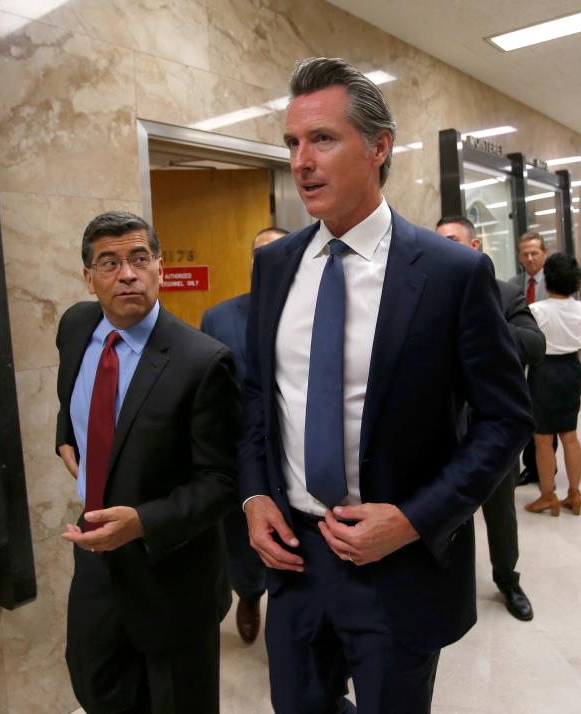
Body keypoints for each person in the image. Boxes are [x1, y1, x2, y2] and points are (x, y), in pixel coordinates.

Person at [240, 57, 533, 714]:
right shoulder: (274, 267)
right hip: (293, 560)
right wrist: (255, 491)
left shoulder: (451, 274)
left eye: (322, 139)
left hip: (396, 567)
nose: (301, 161)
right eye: (292, 142)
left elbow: (504, 419)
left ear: (377, 148)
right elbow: (260, 394)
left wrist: (412, 520)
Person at [54, 211, 240, 714]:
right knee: (95, 681)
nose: (127, 274)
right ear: (88, 278)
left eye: (139, 258)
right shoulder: (76, 326)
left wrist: (143, 522)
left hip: (173, 572)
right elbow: (76, 391)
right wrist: (65, 436)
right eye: (109, 263)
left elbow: (222, 480)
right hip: (96, 558)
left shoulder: (202, 361)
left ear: (159, 266)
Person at [436, 215, 544, 621]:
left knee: (500, 514)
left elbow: (535, 344)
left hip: (491, 432)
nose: (445, 249)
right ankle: (445, 586)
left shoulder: (505, 295)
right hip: (441, 430)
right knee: (444, 513)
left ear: (475, 245)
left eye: (453, 241)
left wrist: (487, 328)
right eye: (439, 242)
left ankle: (507, 580)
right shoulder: (425, 294)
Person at [200, 225, 287, 645]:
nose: (267, 260)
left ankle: (297, 628)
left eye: (278, 251)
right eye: (260, 253)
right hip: (240, 460)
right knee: (243, 545)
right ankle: (249, 596)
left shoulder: (317, 314)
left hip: (300, 462)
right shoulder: (218, 318)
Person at [524, 253, 581, 517]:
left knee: (543, 439)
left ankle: (547, 495)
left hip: (544, 371)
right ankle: (574, 494)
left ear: (547, 280)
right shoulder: (579, 308)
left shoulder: (538, 311)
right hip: (572, 369)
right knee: (570, 435)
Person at [509, 231, 555, 486]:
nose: (530, 258)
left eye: (534, 253)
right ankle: (532, 465)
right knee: (527, 413)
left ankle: (547, 467)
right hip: (521, 362)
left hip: (549, 359)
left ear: (544, 254)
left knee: (546, 419)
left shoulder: (555, 283)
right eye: (525, 254)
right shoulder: (513, 284)